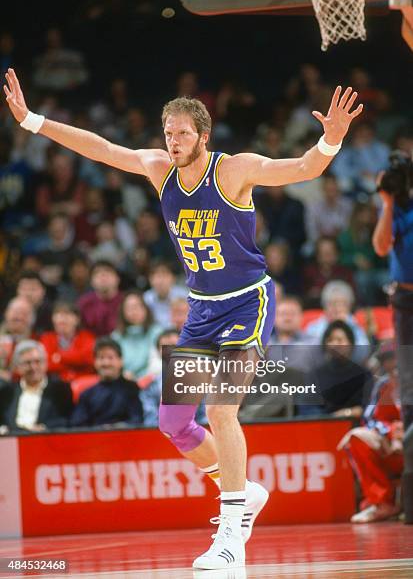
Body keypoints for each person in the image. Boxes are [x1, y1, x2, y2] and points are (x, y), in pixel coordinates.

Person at [4, 67, 363, 570]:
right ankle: (243, 489)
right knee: (173, 423)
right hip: (201, 309)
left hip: (246, 302)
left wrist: (328, 143)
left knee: (221, 409)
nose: (172, 141)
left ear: (203, 135)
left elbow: (302, 170)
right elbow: (101, 148)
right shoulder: (157, 169)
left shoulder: (233, 170)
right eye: (167, 132)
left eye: (182, 133)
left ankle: (233, 534)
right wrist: (33, 121)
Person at [373, 151, 413, 524]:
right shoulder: (395, 208)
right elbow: (382, 247)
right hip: (404, 301)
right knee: (411, 395)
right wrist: (386, 203)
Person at [338, 344, 403, 523]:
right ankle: (381, 503)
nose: (392, 364)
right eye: (387, 360)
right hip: (393, 447)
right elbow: (369, 418)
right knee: (356, 437)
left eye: (395, 358)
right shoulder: (382, 385)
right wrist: (390, 431)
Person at [0, 339, 73, 433]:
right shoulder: (6, 392)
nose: (33, 367)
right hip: (12, 443)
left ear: (46, 363)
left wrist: (44, 428)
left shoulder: (61, 390)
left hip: (45, 441)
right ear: (17, 367)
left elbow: (66, 421)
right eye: (27, 363)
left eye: (37, 361)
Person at [70, 337, 144, 429]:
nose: (106, 363)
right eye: (101, 358)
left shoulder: (132, 389)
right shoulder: (86, 395)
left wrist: (114, 429)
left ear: (121, 361)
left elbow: (137, 420)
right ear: (95, 362)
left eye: (110, 357)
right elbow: (77, 426)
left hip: (125, 439)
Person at [39, 301, 96, 383]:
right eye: (58, 314)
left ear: (77, 319)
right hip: (54, 383)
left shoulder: (87, 337)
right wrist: (75, 363)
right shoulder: (46, 338)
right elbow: (46, 364)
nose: (62, 318)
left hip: (82, 383)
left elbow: (88, 360)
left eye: (67, 314)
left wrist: (59, 357)